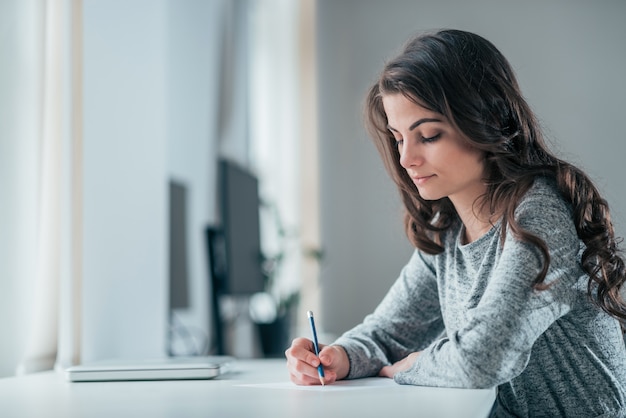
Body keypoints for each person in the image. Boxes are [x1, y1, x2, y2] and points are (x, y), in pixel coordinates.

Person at [285, 29, 626, 417]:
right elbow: (388, 332)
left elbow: (482, 359)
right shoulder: (448, 232)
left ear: (486, 122)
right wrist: (337, 357)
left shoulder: (540, 219)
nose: (406, 159)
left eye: (428, 135)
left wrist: (415, 366)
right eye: (399, 138)